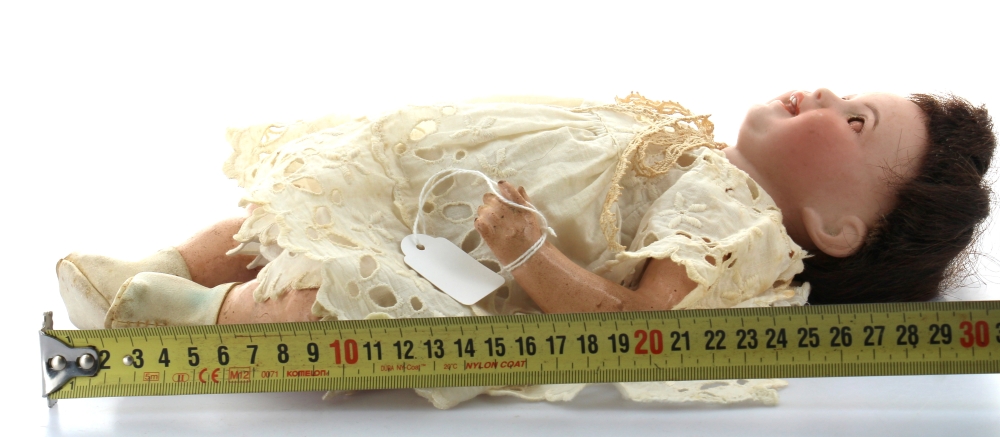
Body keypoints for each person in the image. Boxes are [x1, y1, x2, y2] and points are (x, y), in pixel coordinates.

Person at [55, 90, 996, 408]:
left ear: (836, 229)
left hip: (485, 277)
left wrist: (527, 251)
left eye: (856, 120)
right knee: (298, 214)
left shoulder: (741, 235)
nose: (826, 95)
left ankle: (191, 314)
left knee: (338, 303)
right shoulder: (706, 157)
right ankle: (169, 264)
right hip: (448, 209)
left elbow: (637, 332)